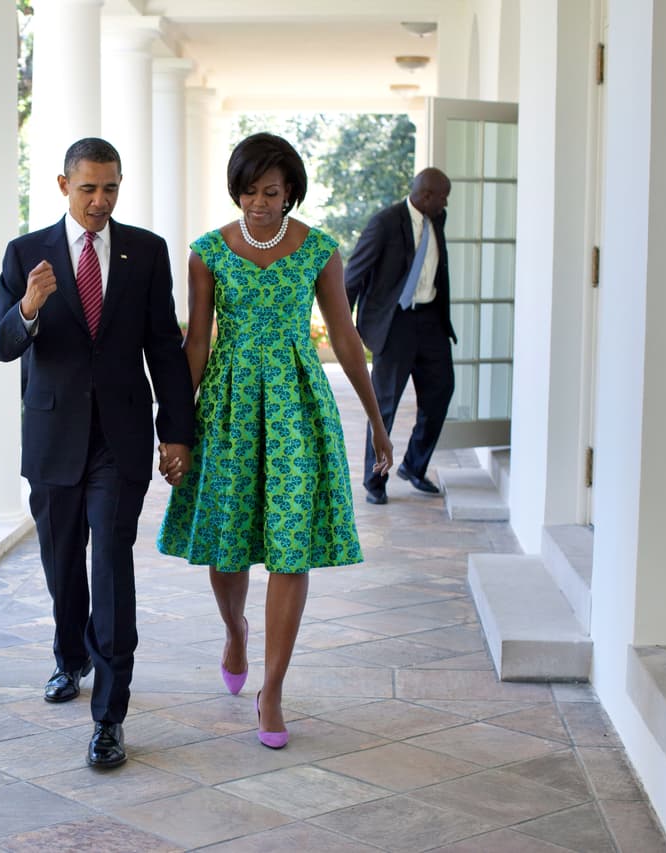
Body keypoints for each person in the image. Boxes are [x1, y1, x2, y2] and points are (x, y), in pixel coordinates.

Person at [156, 133, 392, 749]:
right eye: (248, 190)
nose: (258, 203)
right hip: (230, 411)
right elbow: (198, 343)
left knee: (291, 550)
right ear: (235, 190)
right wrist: (175, 428)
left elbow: (345, 338)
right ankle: (234, 630)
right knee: (229, 548)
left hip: (297, 410)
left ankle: (274, 690)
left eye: (271, 192)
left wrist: (376, 418)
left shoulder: (319, 250)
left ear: (290, 193)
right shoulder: (208, 251)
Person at [0, 137, 195, 769]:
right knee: (61, 567)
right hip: (52, 438)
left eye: (110, 188)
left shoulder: (147, 252)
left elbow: (164, 344)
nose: (100, 201)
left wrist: (175, 430)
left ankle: (110, 714)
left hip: (120, 441)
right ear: (62, 185)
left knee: (110, 564)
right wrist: (29, 306)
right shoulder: (27, 254)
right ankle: (68, 655)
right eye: (88, 189)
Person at [344, 168, 457, 504]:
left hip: (431, 320)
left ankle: (413, 465)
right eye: (443, 196)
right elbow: (353, 276)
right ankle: (374, 482)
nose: (446, 202)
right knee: (384, 406)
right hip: (395, 324)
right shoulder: (385, 223)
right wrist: (344, 329)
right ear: (425, 195)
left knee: (441, 392)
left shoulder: (437, 219)